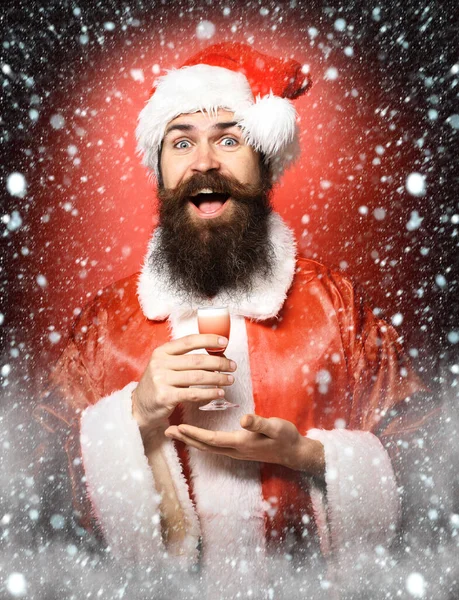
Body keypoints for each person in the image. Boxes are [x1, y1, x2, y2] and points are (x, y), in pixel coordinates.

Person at [35, 43, 435, 598]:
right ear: (160, 170)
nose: (204, 162)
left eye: (229, 138)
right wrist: (133, 420)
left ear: (266, 163)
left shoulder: (337, 308)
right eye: (181, 142)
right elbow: (37, 502)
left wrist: (312, 458)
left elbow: (429, 470)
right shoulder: (105, 325)